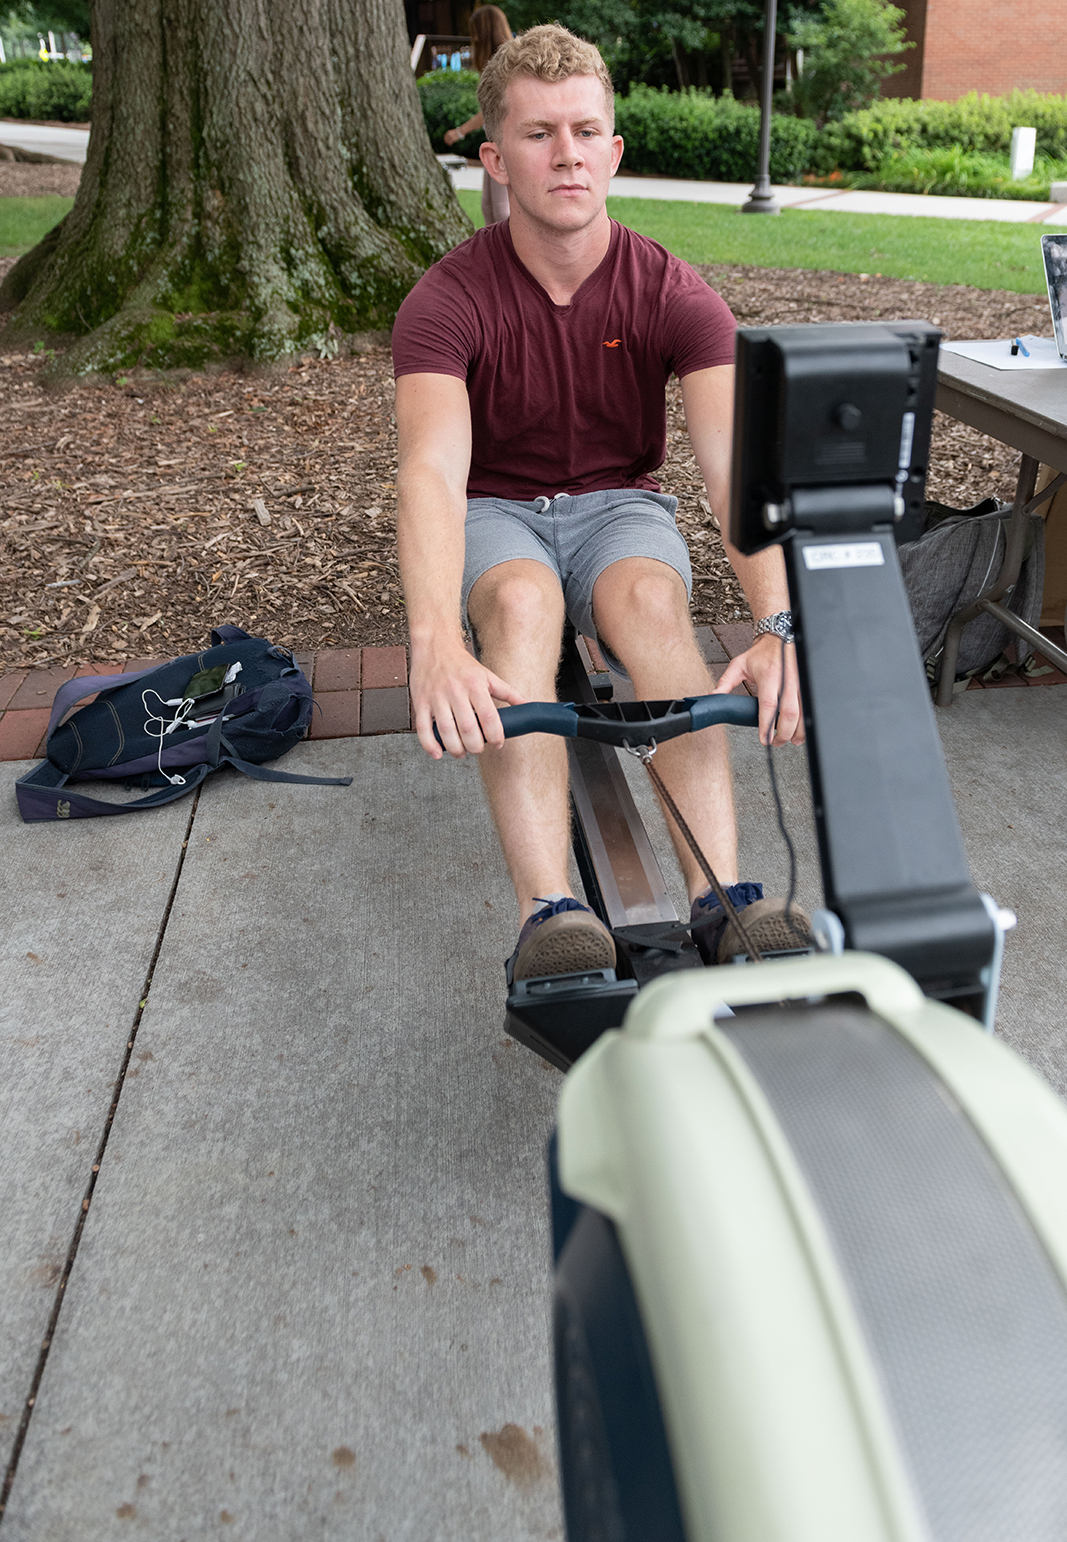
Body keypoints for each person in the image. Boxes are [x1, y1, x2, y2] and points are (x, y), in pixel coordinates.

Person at [394, 24, 805, 982]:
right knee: (522, 610)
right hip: (496, 507)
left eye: (585, 131)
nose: (566, 153)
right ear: (495, 159)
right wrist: (431, 646)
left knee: (650, 607)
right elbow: (429, 472)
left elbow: (733, 468)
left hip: (620, 505)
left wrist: (780, 620)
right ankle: (552, 911)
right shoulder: (446, 298)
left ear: (614, 150)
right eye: (538, 134)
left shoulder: (674, 292)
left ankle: (723, 901)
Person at [443, 5, 513, 226]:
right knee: (489, 207)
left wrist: (460, 132)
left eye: (474, 31)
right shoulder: (496, 63)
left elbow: (493, 109)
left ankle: (514, 258)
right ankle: (497, 259)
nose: (472, 37)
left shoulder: (507, 63)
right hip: (495, 142)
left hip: (507, 142)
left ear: (485, 31)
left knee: (502, 210)